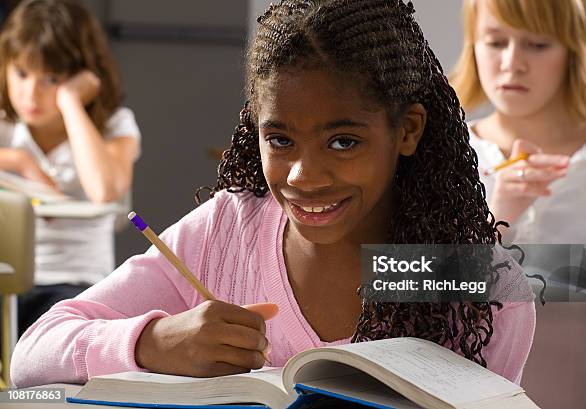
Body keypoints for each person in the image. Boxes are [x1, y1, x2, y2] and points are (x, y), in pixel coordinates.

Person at [11, 0, 534, 388]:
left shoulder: (469, 277)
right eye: (280, 140)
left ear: (407, 130)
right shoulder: (224, 233)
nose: (304, 175)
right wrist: (150, 344)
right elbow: (31, 353)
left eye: (343, 141)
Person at [0, 0, 141, 334]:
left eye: (50, 79)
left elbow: (104, 190)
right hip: (8, 278)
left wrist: (70, 103)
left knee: (59, 343)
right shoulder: (6, 128)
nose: (31, 93)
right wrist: (22, 162)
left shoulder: (114, 127)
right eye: (21, 73)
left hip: (77, 285)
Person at [450, 0, 586, 244]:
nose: (511, 64)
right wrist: (496, 220)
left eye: (537, 44)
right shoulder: (439, 154)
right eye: (495, 42)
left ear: (578, 50)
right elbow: (409, 279)